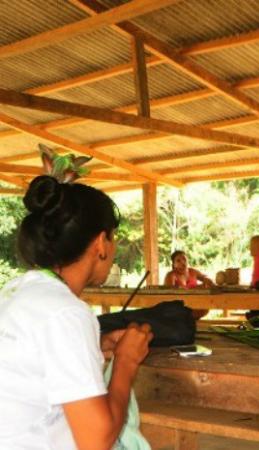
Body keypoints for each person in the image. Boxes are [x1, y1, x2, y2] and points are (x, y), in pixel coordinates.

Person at [0, 175, 152, 449]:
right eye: (113, 237)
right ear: (100, 244)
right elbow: (95, 441)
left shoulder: (16, 292)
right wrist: (125, 362)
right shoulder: (67, 312)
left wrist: (95, 345)